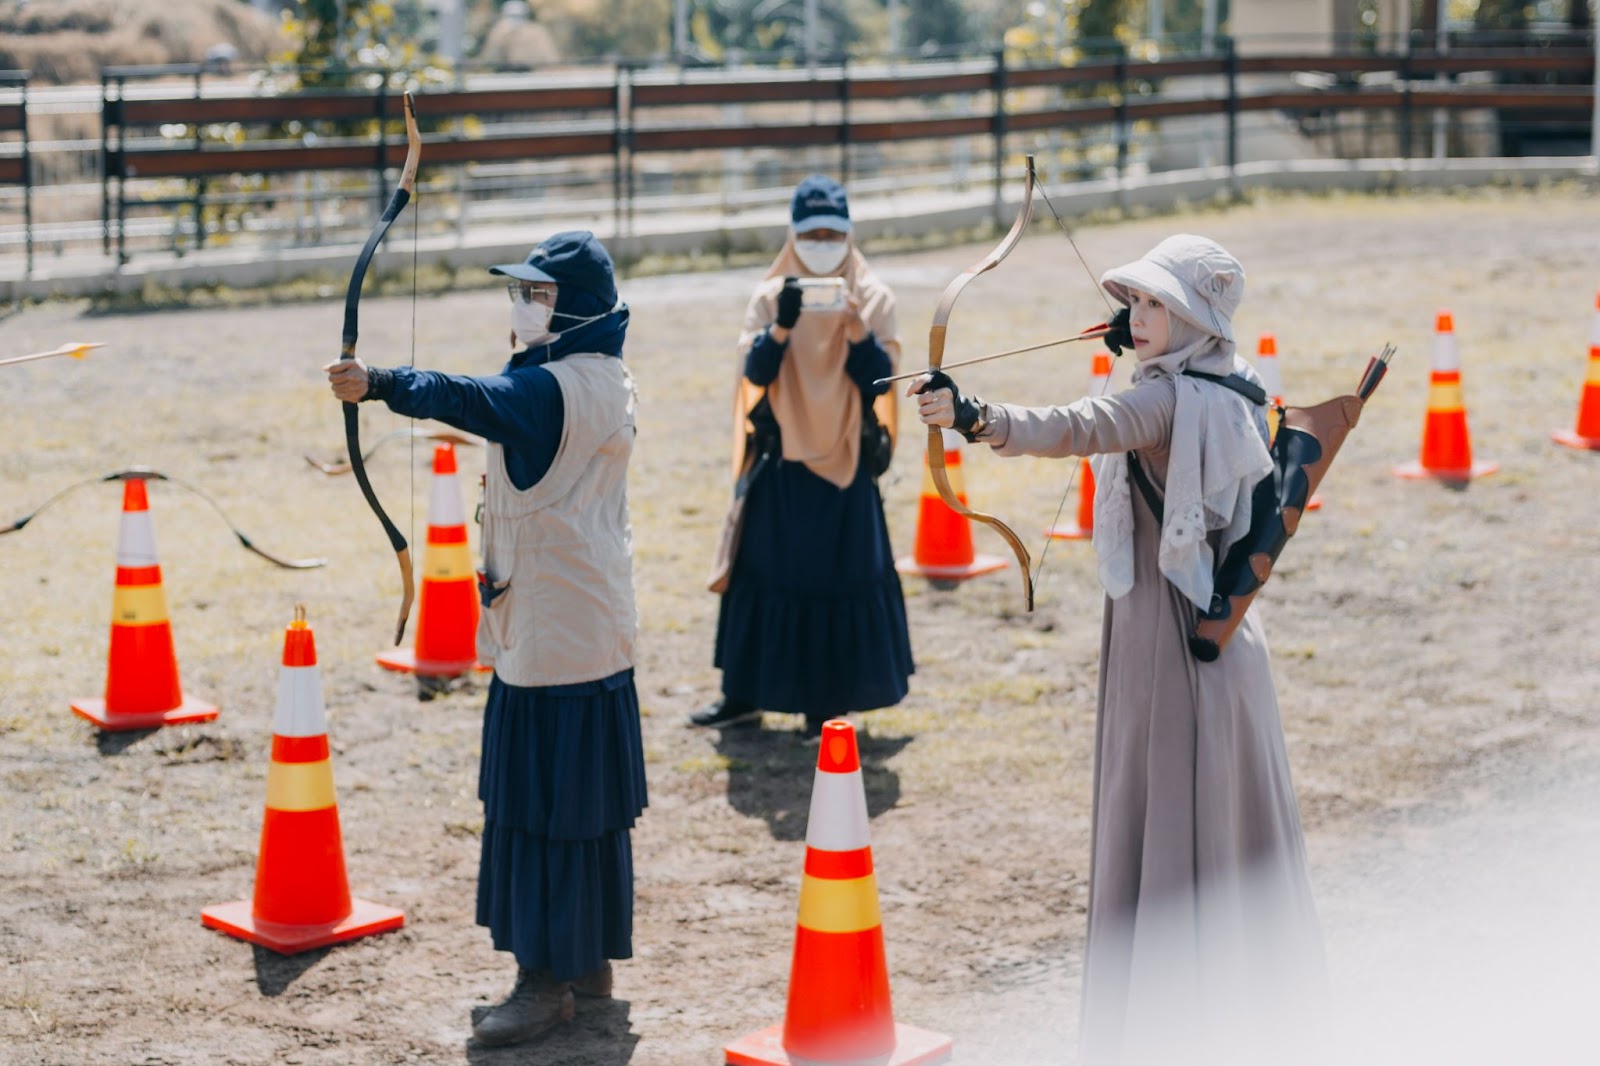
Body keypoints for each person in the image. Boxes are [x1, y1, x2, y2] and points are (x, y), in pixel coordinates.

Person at [910, 235, 1324, 1064]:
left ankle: (1171, 1020)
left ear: (1194, 317)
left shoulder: (1166, 404)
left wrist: (975, 416)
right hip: (1227, 640)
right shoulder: (1232, 382)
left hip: (1170, 641)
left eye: (1155, 305)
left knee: (1169, 804)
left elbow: (1081, 426)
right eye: (1132, 303)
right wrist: (1147, 347)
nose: (1136, 318)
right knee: (1219, 818)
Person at [325, 231, 646, 1048]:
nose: (522, 304)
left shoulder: (555, 390)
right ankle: (585, 963)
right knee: (578, 809)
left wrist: (383, 382)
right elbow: (495, 401)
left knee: (545, 809)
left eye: (536, 295)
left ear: (568, 308)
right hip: (575, 627)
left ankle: (545, 984)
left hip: (555, 637)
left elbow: (468, 398)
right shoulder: (588, 374)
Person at [690, 174, 915, 741]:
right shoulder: (769, 298)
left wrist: (859, 331)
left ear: (849, 234)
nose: (821, 242)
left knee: (837, 582)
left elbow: (881, 385)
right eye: (810, 232)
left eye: (831, 232)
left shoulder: (874, 296)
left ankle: (826, 705)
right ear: (792, 236)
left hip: (845, 463)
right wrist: (782, 328)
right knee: (760, 578)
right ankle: (741, 695)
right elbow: (755, 376)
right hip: (781, 459)